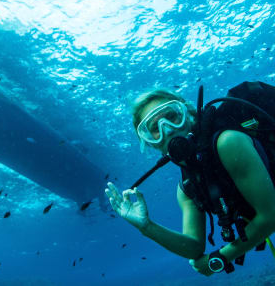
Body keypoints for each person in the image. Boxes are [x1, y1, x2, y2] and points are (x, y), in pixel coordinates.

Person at [105, 84, 275, 276]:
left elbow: (270, 216)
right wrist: (146, 227)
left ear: (189, 115)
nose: (167, 130)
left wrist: (220, 258)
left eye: (171, 117)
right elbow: (193, 248)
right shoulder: (186, 188)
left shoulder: (228, 142)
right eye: (154, 128)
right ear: (151, 144)